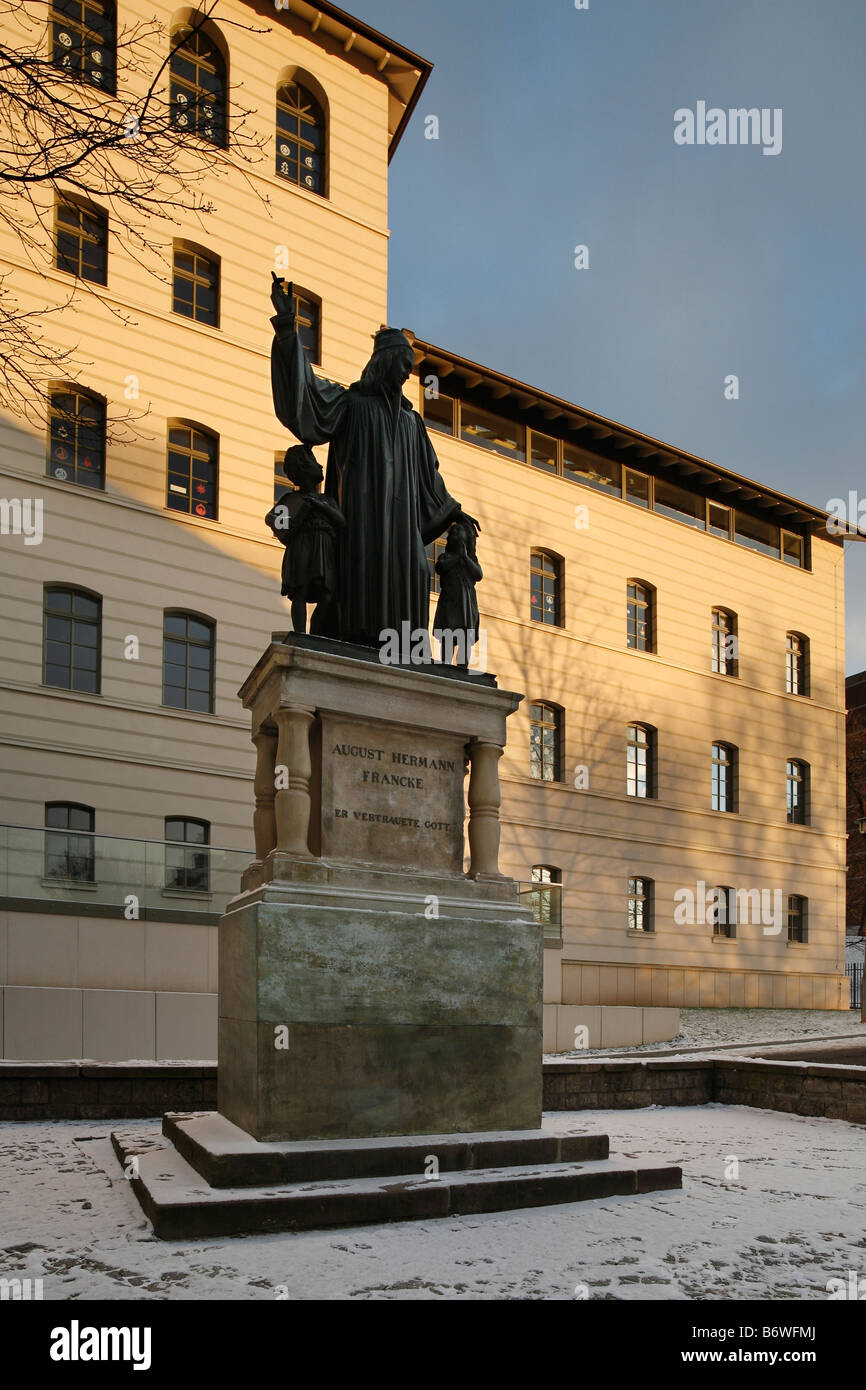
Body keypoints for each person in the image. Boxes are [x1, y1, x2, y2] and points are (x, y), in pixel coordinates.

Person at [269, 274, 480, 648]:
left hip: (402, 531)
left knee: (414, 569)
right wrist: (288, 328)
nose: (404, 372)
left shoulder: (412, 423)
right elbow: (305, 401)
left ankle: (404, 647)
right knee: (360, 580)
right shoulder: (350, 404)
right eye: (400, 363)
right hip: (361, 524)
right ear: (383, 363)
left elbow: (431, 482)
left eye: (408, 365)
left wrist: (455, 513)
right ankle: (356, 637)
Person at [265, 443, 344, 635]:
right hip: (302, 546)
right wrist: (300, 515)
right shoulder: (292, 500)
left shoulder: (327, 500)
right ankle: (300, 633)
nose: (320, 466)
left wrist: (323, 508)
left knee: (326, 595)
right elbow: (273, 519)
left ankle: (315, 634)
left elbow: (342, 522)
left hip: (324, 547)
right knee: (300, 589)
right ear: (303, 469)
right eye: (314, 462)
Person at [433, 519, 482, 666]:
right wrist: (458, 557)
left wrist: (465, 557)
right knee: (448, 634)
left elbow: (478, 574)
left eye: (458, 531)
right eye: (453, 532)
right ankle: (445, 664)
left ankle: (463, 666)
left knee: (465, 636)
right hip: (450, 599)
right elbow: (440, 567)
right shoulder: (446, 557)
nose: (454, 534)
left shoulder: (471, 559)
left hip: (467, 602)